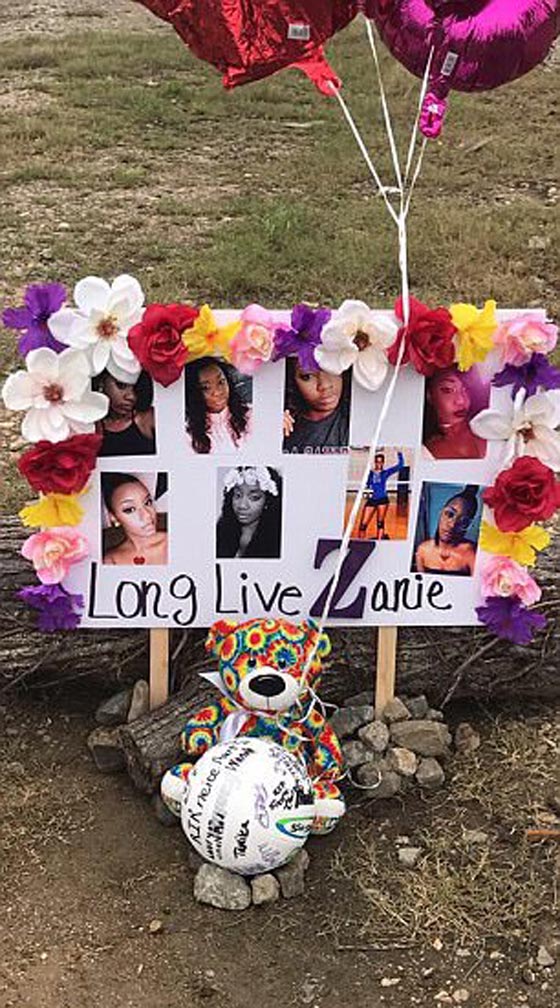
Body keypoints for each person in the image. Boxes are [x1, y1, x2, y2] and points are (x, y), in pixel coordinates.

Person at [185, 357, 252, 454]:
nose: (217, 392)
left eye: (221, 382)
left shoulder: (251, 415)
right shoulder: (187, 434)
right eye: (206, 388)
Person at [283, 359, 350, 454]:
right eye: (307, 376)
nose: (325, 385)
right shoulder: (283, 421)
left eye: (333, 370)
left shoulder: (354, 419)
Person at [216, 466, 282, 559]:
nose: (242, 505)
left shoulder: (278, 540)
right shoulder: (221, 531)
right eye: (238, 495)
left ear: (268, 501)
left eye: (254, 497)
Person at [102, 473, 168, 565]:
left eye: (148, 502)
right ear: (114, 517)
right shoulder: (110, 560)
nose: (147, 514)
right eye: (130, 509)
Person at [415, 486, 479, 576]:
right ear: (441, 513)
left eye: (463, 521)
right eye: (449, 514)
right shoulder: (423, 550)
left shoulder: (471, 554)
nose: (452, 525)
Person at [423, 368, 486, 460]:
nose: (461, 400)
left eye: (466, 389)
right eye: (448, 390)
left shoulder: (488, 428)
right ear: (429, 395)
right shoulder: (422, 452)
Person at [94, 370, 155, 456]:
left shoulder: (147, 418)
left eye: (137, 389)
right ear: (102, 383)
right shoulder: (90, 422)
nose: (130, 396)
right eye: (121, 385)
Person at [358, 451, 405, 540]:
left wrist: (399, 453)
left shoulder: (385, 473)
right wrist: (366, 491)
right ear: (375, 462)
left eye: (380, 462)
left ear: (383, 462)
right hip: (372, 500)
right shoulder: (370, 473)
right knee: (363, 525)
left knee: (380, 523)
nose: (379, 464)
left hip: (382, 500)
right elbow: (367, 485)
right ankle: (361, 542)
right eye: (377, 462)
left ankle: (380, 542)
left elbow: (400, 465)